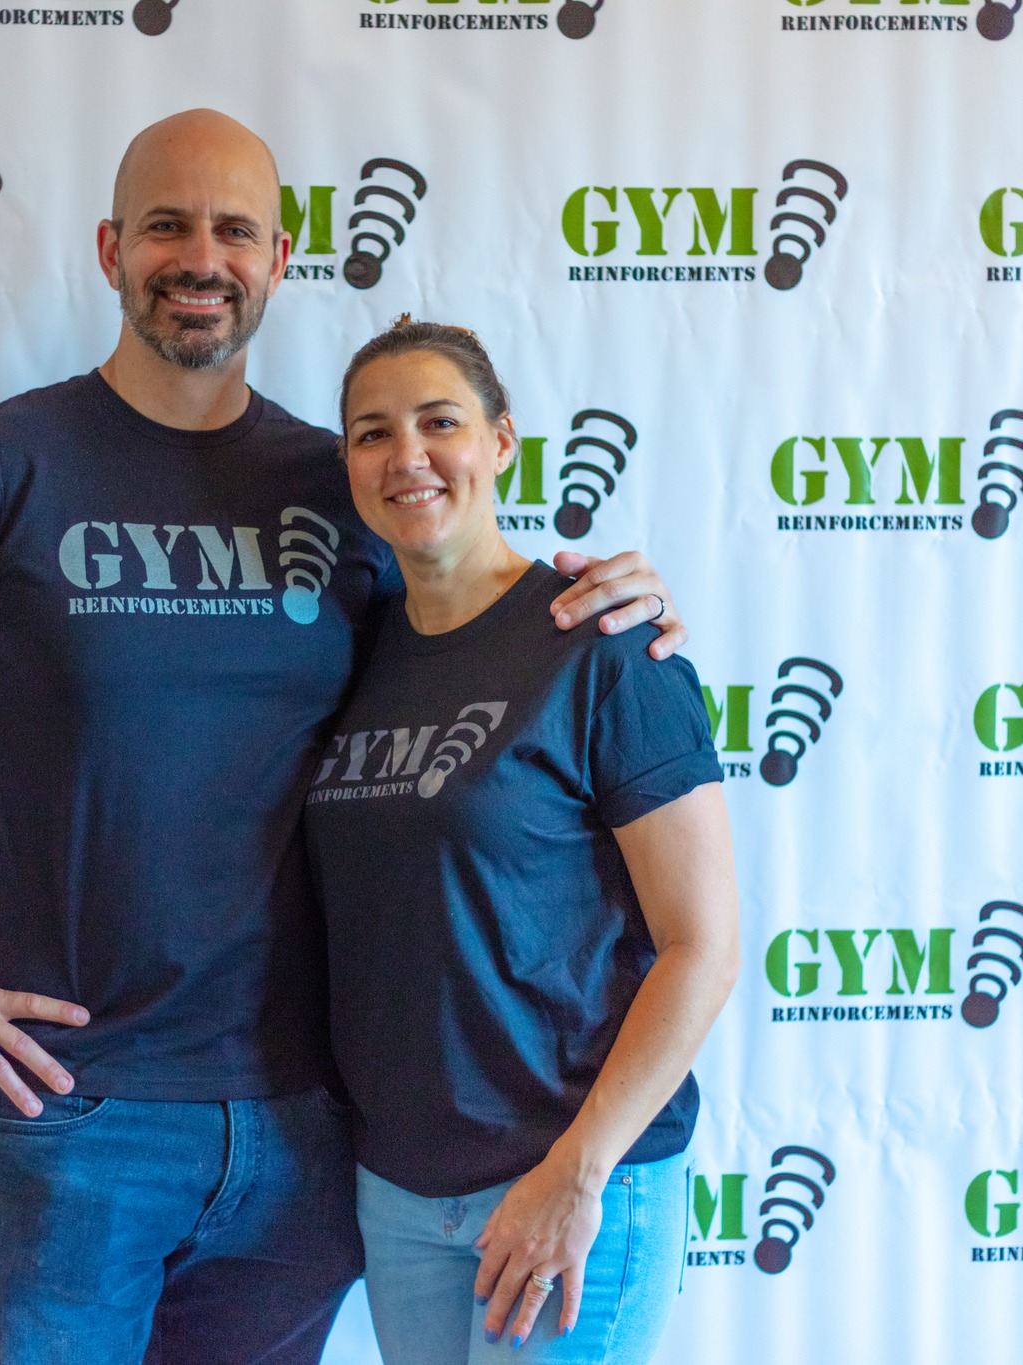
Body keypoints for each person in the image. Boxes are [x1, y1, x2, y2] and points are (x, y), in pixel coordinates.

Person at [0, 111, 692, 1364]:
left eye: (234, 229)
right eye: (166, 225)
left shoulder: (343, 484)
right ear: (109, 249)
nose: (201, 256)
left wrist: (616, 601)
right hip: (71, 1117)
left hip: (313, 1126)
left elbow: (487, 644)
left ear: (279, 257)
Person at [303, 319, 740, 1363]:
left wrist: (576, 1172)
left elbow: (703, 944)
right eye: (371, 433)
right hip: (402, 1191)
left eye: (437, 422)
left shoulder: (601, 645)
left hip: (566, 1175)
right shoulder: (348, 652)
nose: (405, 456)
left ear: (501, 440)